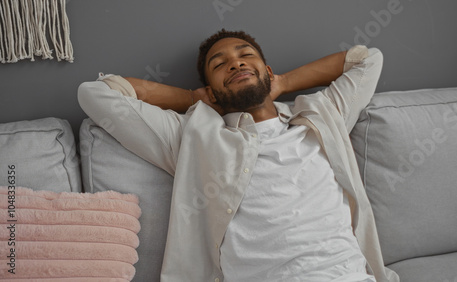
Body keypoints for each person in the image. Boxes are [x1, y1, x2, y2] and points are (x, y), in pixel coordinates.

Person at [78, 29, 399, 282]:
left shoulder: (324, 115)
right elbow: (95, 93)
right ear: (211, 90)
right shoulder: (193, 137)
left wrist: (284, 82)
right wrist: (192, 98)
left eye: (246, 56)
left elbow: (367, 58)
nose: (236, 63)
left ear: (267, 70)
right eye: (220, 64)